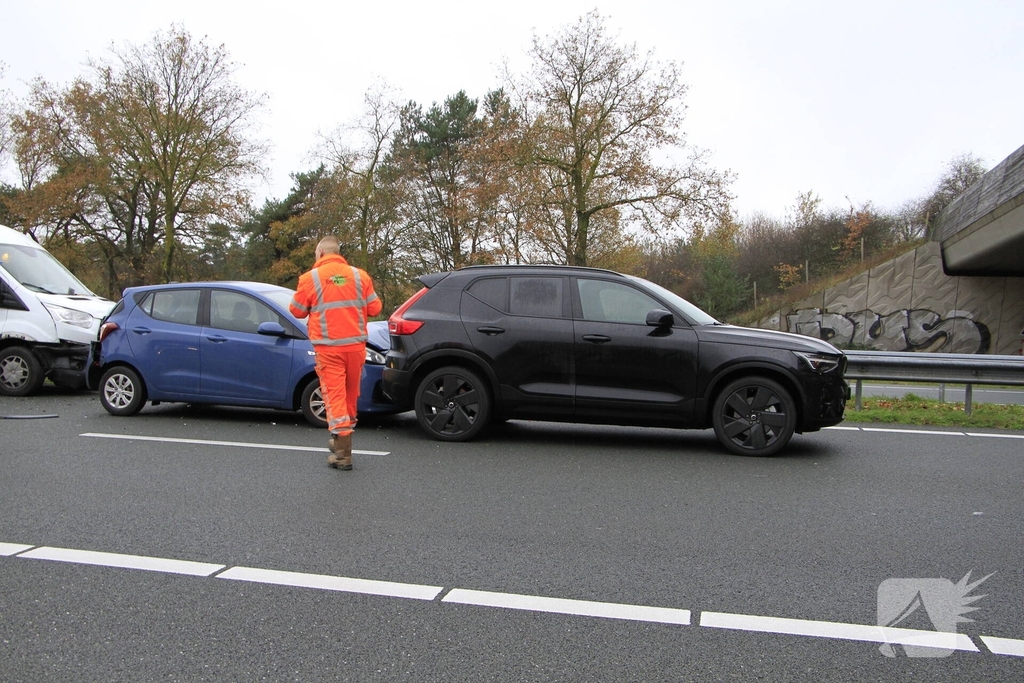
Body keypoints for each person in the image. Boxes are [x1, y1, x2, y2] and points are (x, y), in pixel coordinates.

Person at [289, 236, 382, 470]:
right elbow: (375, 308)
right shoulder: (360, 276)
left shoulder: (310, 279)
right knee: (350, 395)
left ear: (320, 252)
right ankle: (342, 440)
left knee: (334, 397)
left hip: (329, 349)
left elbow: (297, 311)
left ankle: (342, 454)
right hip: (356, 348)